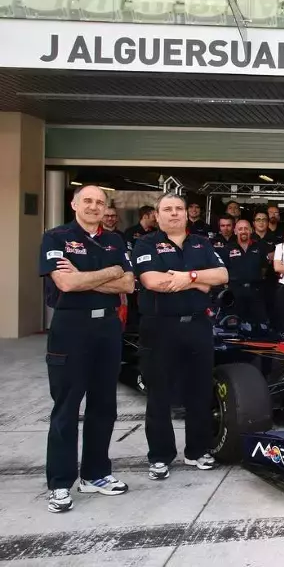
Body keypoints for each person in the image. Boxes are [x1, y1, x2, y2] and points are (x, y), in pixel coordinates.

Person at [39, 185, 135, 513]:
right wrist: (110, 273)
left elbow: (128, 283)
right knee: (67, 407)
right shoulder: (56, 237)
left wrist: (88, 277)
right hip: (71, 327)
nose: (94, 207)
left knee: (104, 404)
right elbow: (65, 283)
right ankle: (61, 483)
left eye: (99, 202)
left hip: (107, 327)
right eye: (88, 201)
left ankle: (95, 475)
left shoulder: (114, 240)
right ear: (75, 204)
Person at [132, 193, 229, 481]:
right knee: (159, 393)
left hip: (198, 326)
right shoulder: (145, 243)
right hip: (159, 327)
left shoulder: (202, 243)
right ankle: (160, 456)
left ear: (187, 214)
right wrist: (201, 281)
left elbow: (222, 274)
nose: (174, 214)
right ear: (158, 215)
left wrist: (189, 278)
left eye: (179, 209)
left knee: (199, 391)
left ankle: (197, 451)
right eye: (167, 209)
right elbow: (152, 281)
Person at [224, 219, 269, 330]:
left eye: (246, 228)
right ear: (235, 231)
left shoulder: (260, 247)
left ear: (251, 230)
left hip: (256, 291)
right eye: (240, 229)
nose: (243, 231)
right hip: (235, 293)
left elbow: (264, 268)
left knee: (259, 327)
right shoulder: (228, 248)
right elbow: (223, 269)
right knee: (235, 326)